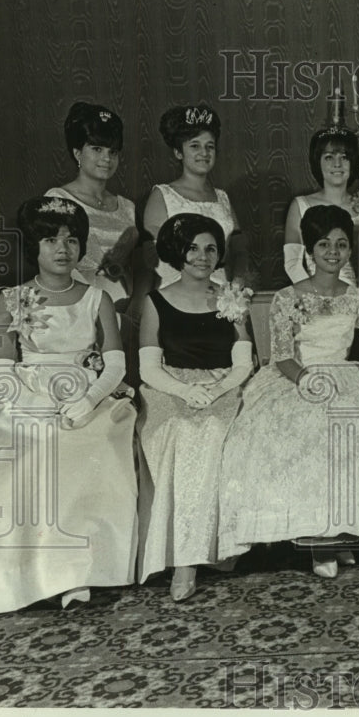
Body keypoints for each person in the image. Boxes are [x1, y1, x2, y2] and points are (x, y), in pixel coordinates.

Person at [218, 205, 359, 577]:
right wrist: (305, 380)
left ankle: (343, 532)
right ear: (310, 251)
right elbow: (281, 356)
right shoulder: (287, 297)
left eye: (341, 245)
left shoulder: (357, 296)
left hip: (345, 373)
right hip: (297, 376)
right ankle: (317, 543)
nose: (333, 252)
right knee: (313, 429)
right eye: (324, 244)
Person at [0, 196, 138, 615]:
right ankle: (28, 572)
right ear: (33, 247)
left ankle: (77, 573)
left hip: (85, 392)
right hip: (25, 396)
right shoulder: (11, 299)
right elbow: (2, 367)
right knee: (37, 444)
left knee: (91, 441)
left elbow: (115, 363)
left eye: (72, 240)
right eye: (50, 239)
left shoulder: (97, 298)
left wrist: (89, 399)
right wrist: (33, 403)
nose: (63, 249)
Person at [136, 214, 253, 601]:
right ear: (176, 252)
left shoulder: (231, 297)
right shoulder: (156, 301)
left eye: (210, 249)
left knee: (215, 432)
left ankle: (216, 549)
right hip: (170, 386)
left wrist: (217, 389)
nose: (202, 257)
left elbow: (243, 362)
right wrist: (186, 393)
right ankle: (183, 559)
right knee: (183, 433)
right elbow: (148, 367)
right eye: (192, 248)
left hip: (223, 385)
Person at [45, 102, 141, 313]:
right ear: (78, 153)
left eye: (113, 151)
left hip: (129, 306)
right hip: (79, 306)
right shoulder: (58, 200)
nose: (106, 158)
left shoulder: (128, 207)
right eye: (97, 149)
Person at [144, 104, 248, 288]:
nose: (204, 153)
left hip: (222, 292)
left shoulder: (222, 197)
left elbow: (239, 250)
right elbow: (155, 255)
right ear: (178, 152)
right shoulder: (162, 195)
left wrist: (238, 281)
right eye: (194, 146)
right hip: (179, 291)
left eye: (210, 146)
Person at [283, 127, 359, 296]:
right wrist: (316, 298)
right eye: (329, 157)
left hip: (354, 303)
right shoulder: (300, 205)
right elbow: (292, 263)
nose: (337, 164)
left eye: (344, 157)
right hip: (312, 300)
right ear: (317, 162)